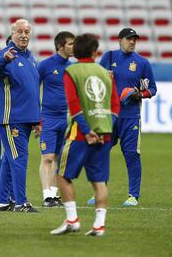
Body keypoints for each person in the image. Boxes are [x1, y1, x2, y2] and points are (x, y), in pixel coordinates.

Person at [50, 34, 120, 237]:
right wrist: (105, 126)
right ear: (94, 51)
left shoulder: (72, 71)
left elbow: (74, 104)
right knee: (99, 181)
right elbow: (115, 106)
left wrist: (88, 130)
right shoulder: (106, 73)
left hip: (80, 135)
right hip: (104, 134)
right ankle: (99, 225)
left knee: (62, 176)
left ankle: (72, 219)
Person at [93, 28, 157, 206]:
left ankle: (133, 196)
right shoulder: (109, 57)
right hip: (109, 115)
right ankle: (100, 191)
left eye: (134, 39)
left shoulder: (142, 63)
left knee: (131, 154)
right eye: (129, 39)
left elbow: (152, 88)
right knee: (101, 152)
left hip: (131, 116)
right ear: (120, 40)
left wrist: (140, 94)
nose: (132, 42)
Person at [0, 19, 40, 212]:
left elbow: (32, 91)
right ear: (13, 34)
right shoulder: (6, 54)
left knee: (9, 160)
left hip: (26, 118)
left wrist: (37, 119)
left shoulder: (30, 57)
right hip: (11, 119)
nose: (24, 35)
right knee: (19, 160)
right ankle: (20, 202)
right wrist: (3, 60)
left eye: (27, 31)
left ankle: (3, 201)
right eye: (20, 32)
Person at [37, 31, 75, 207]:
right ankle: (46, 196)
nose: (73, 47)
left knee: (59, 158)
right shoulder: (45, 65)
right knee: (48, 157)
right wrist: (35, 118)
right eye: (70, 44)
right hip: (48, 117)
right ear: (60, 46)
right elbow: (32, 90)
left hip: (65, 118)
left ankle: (53, 195)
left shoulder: (72, 67)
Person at [0, 35, 15, 211]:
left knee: (11, 158)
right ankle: (3, 197)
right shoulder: (3, 64)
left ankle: (11, 195)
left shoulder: (26, 60)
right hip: (7, 118)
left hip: (18, 118)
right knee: (6, 158)